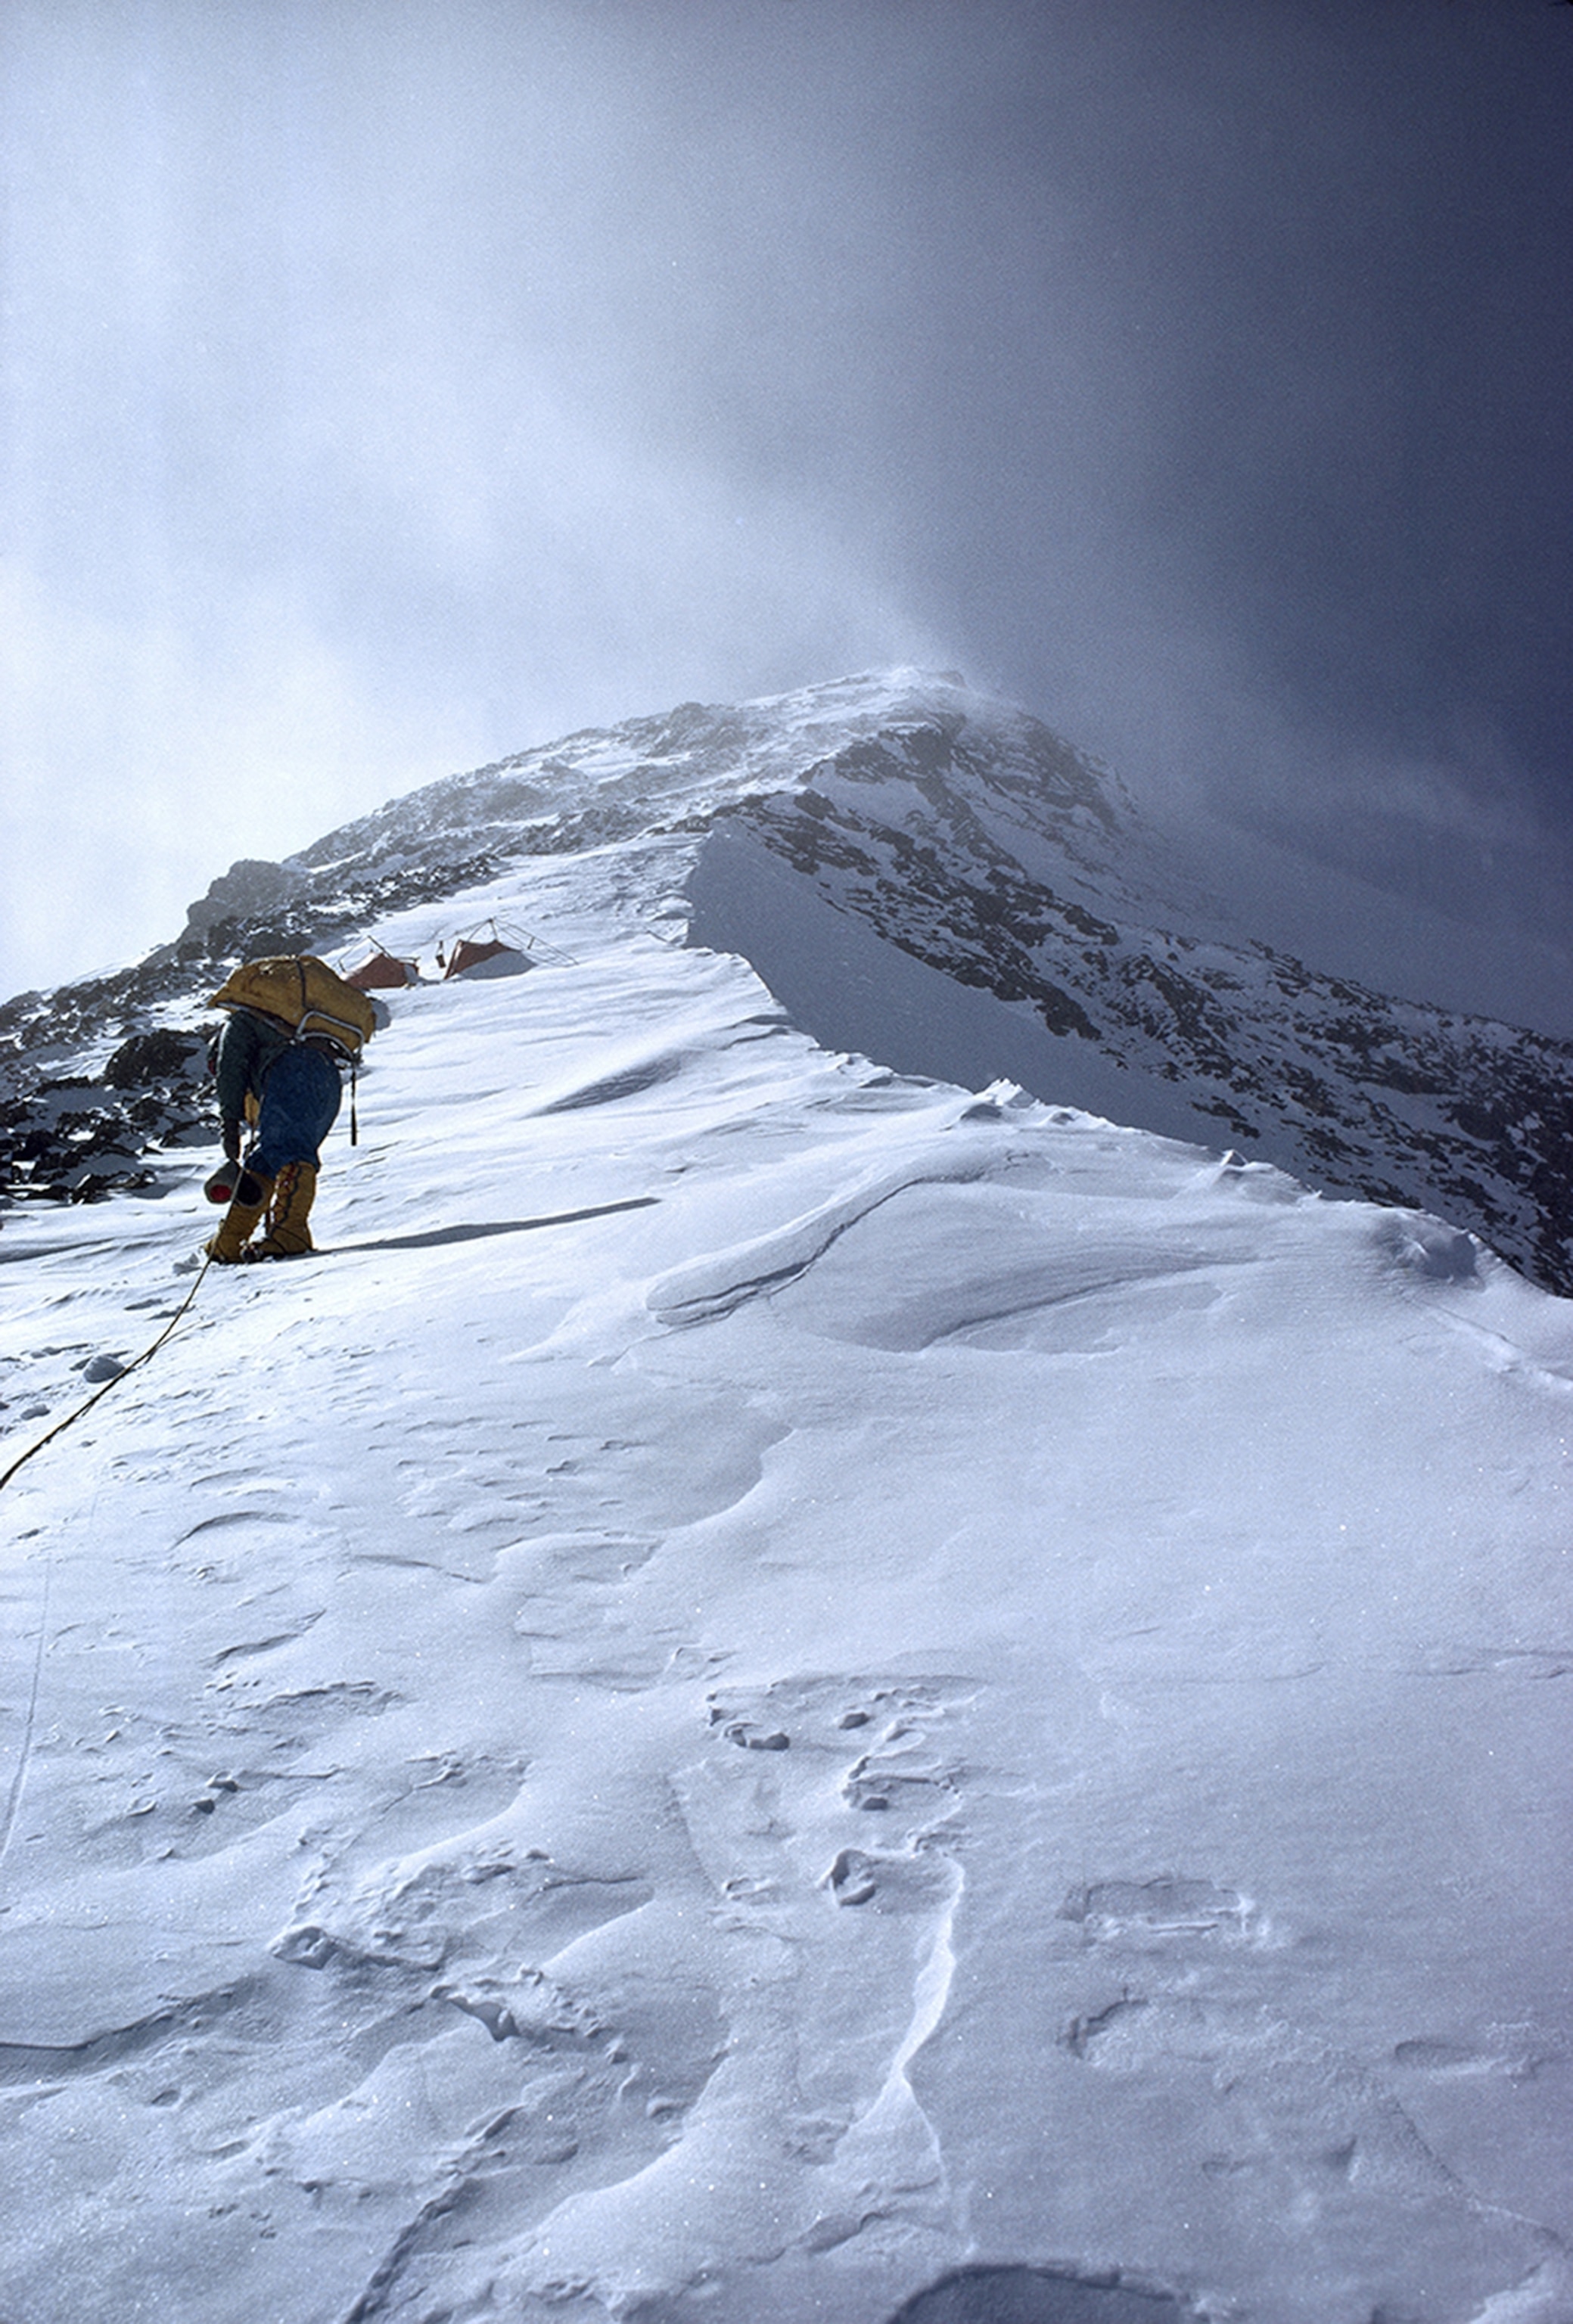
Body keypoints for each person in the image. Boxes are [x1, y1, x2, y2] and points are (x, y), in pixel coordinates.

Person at [204, 1004, 344, 1262]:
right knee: (267, 1158)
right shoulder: (273, 1032)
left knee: (288, 1151)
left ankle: (291, 1233)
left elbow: (231, 1071)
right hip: (328, 1082)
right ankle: (230, 1239)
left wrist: (230, 1125)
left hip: (295, 1072)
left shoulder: (237, 1027)